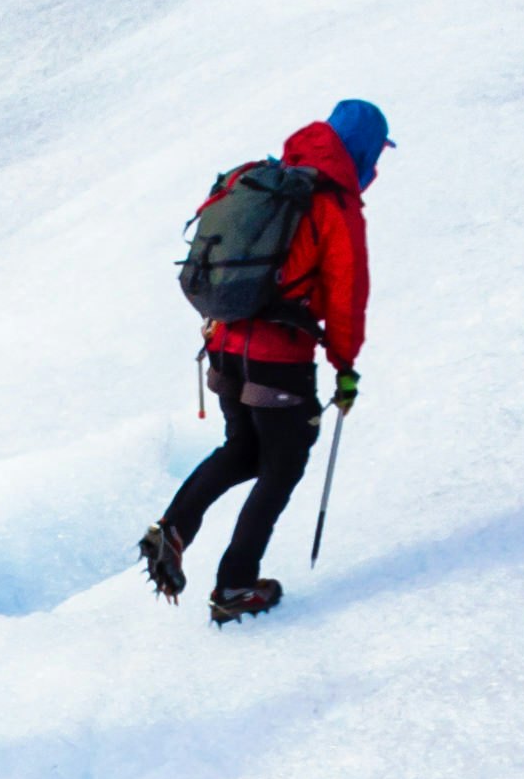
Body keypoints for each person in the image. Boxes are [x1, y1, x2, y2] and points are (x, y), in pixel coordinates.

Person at [143, 99, 387, 624]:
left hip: (224, 343)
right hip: (278, 358)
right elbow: (345, 298)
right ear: (362, 151)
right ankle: (234, 586)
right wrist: (346, 368)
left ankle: (173, 530)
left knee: (244, 449)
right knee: (282, 463)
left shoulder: (262, 179)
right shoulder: (331, 204)